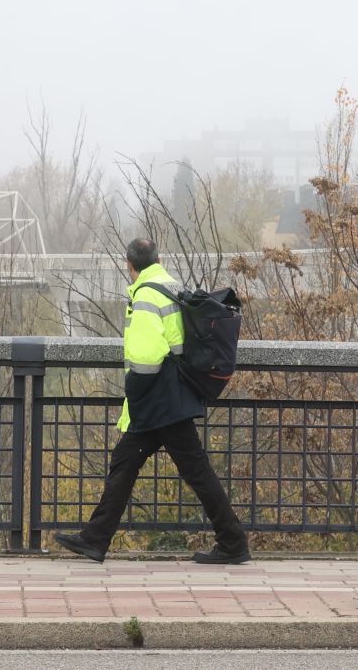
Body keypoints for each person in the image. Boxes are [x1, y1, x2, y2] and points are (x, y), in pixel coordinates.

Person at [54, 237, 249, 564]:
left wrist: (133, 390)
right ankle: (95, 539)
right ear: (156, 259)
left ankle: (233, 542)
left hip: (157, 399)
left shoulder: (145, 295)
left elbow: (146, 359)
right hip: (172, 395)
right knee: (128, 465)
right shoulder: (170, 284)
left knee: (180, 470)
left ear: (129, 264)